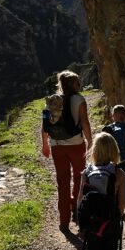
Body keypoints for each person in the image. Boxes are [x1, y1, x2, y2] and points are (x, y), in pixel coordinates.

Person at [76, 132, 125, 250]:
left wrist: (82, 225)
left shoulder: (87, 171)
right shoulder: (118, 173)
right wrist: (118, 217)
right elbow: (121, 203)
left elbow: (81, 200)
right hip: (110, 223)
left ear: (94, 151)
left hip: (92, 225)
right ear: (114, 150)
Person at [42, 70, 92, 235]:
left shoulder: (52, 101)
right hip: (76, 145)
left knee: (62, 183)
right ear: (71, 84)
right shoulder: (79, 99)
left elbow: (45, 126)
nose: (80, 85)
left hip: (57, 146)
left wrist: (45, 145)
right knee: (79, 179)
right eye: (78, 82)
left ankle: (63, 222)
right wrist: (91, 142)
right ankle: (77, 213)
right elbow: (84, 122)